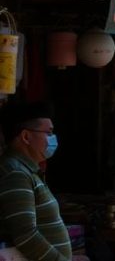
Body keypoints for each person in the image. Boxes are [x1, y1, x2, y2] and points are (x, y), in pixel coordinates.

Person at [0, 101, 71, 261]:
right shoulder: (16, 173)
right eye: (49, 132)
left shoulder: (27, 170)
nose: (52, 139)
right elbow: (25, 235)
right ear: (26, 136)